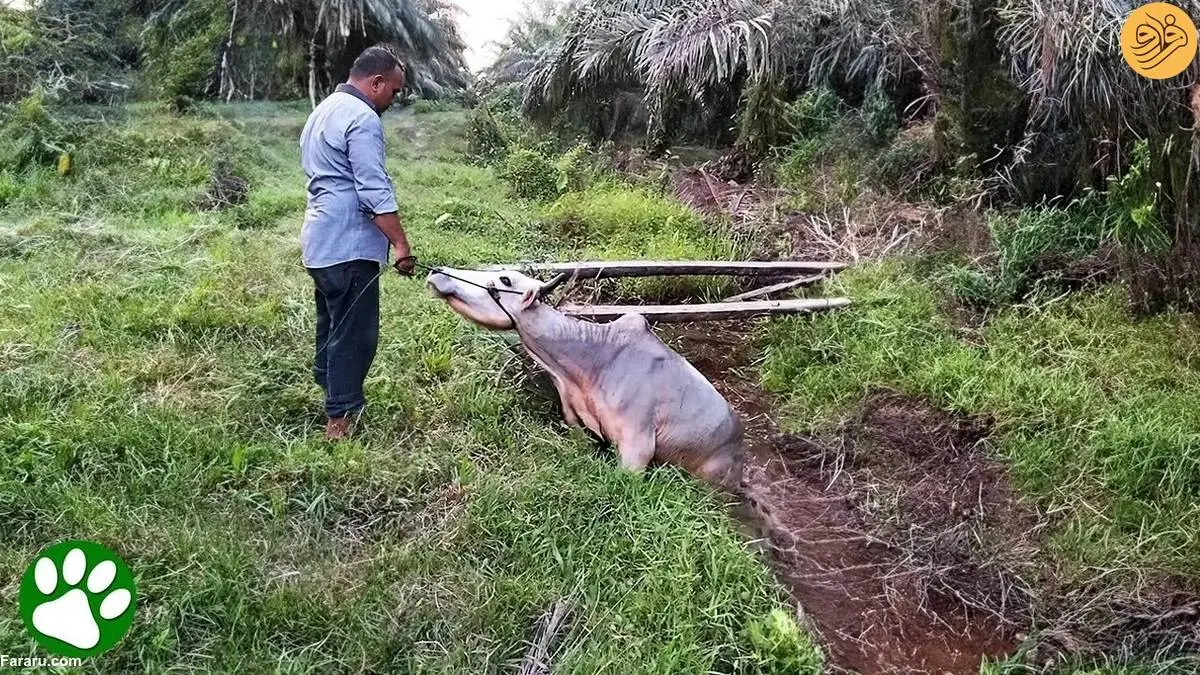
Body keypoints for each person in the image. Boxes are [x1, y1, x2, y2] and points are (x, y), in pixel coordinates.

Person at [299, 44, 416, 441]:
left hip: (319, 242)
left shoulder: (322, 111)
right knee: (355, 333)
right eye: (394, 91)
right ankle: (340, 420)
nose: (394, 99)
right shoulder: (361, 117)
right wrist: (401, 245)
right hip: (349, 244)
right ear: (376, 82)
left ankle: (331, 389)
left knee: (331, 323)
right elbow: (372, 188)